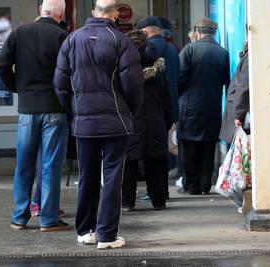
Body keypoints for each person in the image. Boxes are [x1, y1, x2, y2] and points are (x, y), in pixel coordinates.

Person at [54, 0, 144, 249]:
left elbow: (60, 84)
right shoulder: (122, 42)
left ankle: (85, 231)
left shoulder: (71, 40)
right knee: (113, 176)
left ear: (94, 13)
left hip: (84, 122)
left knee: (87, 176)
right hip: (116, 120)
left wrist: (74, 110)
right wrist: (129, 112)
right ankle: (107, 235)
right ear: (115, 15)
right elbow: (134, 86)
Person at [0, 0, 69, 232]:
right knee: (50, 165)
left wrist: (18, 88)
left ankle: (19, 217)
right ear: (61, 14)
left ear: (40, 10)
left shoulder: (19, 33)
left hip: (27, 110)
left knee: (24, 165)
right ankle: (48, 219)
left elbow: (0, 66)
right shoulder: (62, 37)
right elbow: (70, 72)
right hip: (55, 108)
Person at [122, 30, 174, 212]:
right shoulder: (157, 66)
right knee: (156, 161)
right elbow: (166, 96)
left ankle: (127, 202)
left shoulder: (123, 67)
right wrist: (168, 120)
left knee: (128, 162)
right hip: (154, 118)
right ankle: (158, 200)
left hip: (130, 119)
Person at [177, 18, 230, 195]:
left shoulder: (189, 49)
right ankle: (205, 185)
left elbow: (180, 78)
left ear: (197, 31)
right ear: (214, 32)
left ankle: (191, 186)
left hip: (189, 107)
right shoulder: (223, 53)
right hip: (212, 108)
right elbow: (224, 80)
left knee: (189, 150)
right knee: (208, 149)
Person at [136, 16, 180, 199]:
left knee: (151, 152)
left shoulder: (148, 49)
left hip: (152, 106)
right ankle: (163, 190)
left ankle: (155, 191)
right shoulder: (172, 48)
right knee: (164, 147)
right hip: (171, 104)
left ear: (146, 31)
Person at [219, 42, 250, 214]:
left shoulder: (249, 57)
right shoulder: (246, 56)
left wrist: (238, 114)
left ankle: (242, 198)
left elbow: (243, 87)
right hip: (241, 112)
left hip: (240, 114)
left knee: (238, 157)